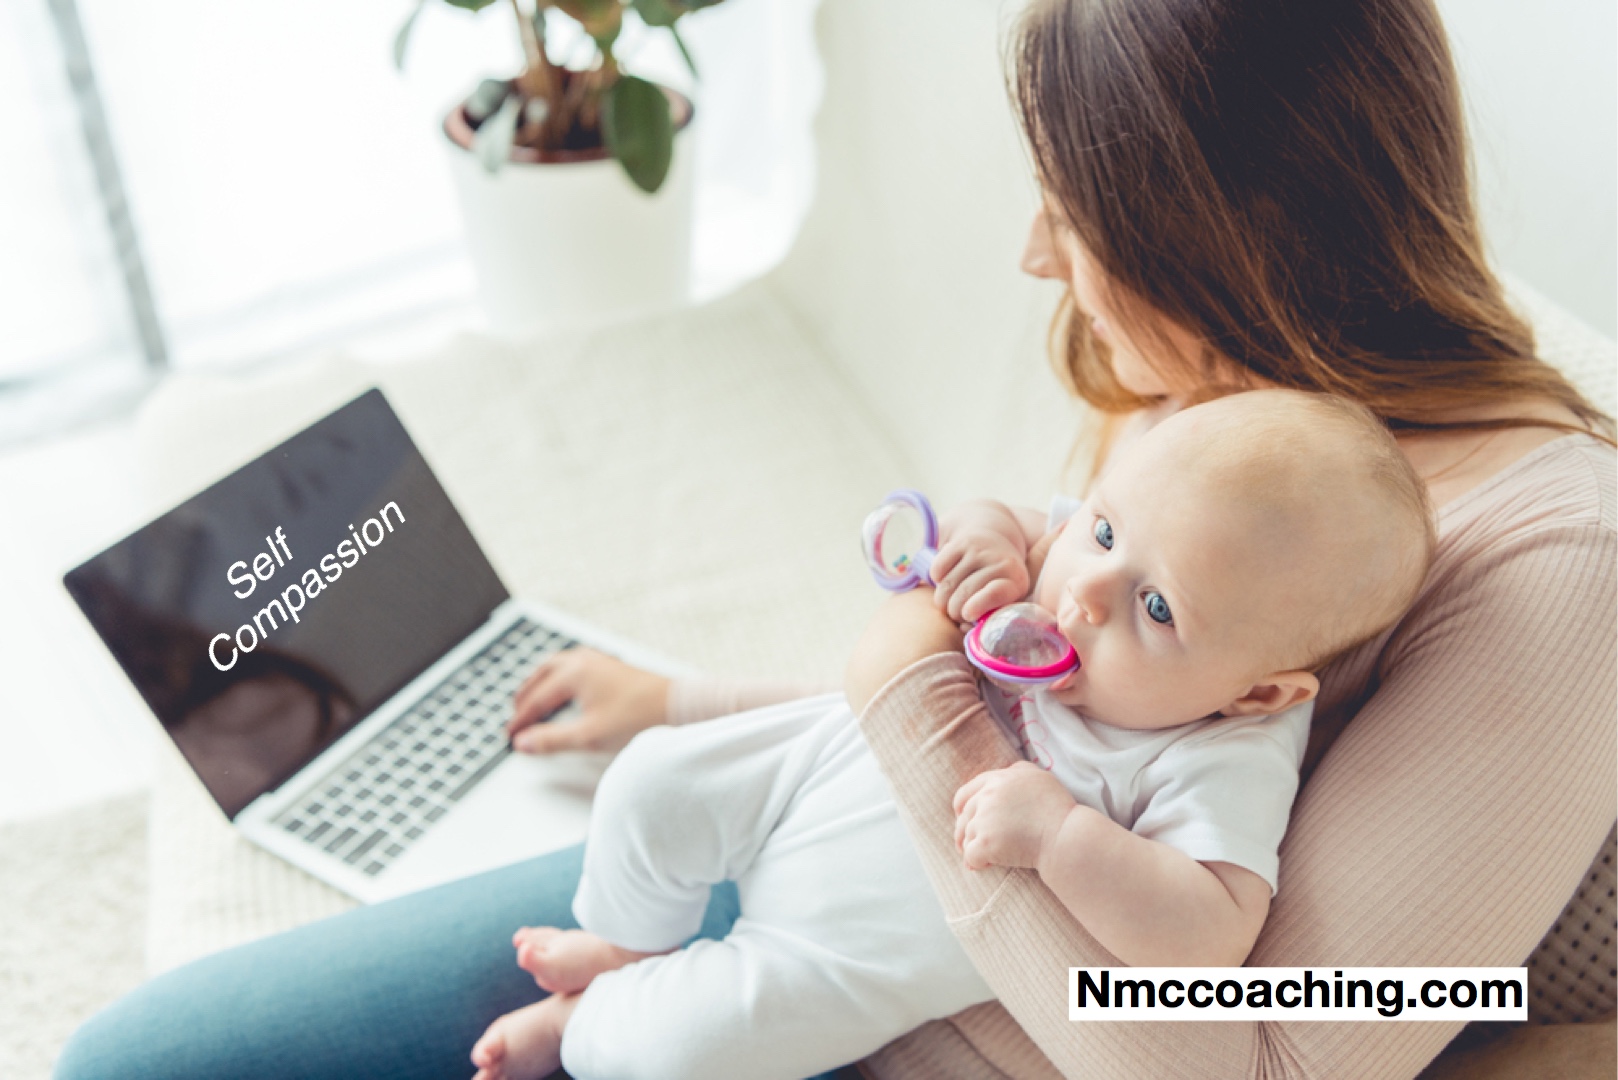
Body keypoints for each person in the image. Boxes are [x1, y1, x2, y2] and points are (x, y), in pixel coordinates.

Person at [55, 0, 1615, 1077]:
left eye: (1075, 218)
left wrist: (910, 716)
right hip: (829, 881)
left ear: (1222, 230)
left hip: (872, 1024)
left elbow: (1284, 1049)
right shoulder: (1247, 417)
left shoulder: (1551, 569)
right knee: (139, 1057)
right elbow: (1031, 712)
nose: (1029, 254)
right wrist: (689, 709)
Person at [464, 391, 1437, 1080]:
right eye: (1102, 533)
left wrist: (1061, 837)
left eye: (1155, 607)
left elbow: (1208, 934)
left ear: (1258, 693)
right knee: (651, 783)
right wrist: (980, 536)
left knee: (672, 1056)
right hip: (819, 766)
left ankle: (583, 1027)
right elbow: (1011, 521)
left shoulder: (1221, 755)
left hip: (855, 956)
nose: (1084, 593)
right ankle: (628, 942)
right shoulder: (1104, 548)